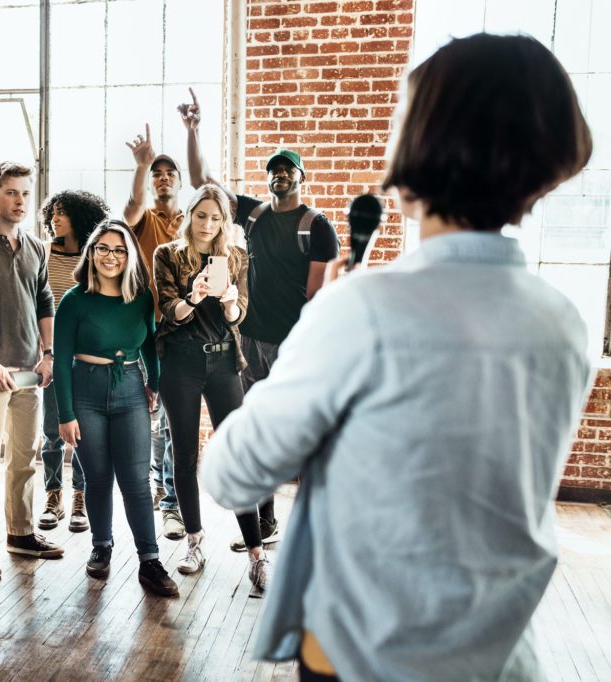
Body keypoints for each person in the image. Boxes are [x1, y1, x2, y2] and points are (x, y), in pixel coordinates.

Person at [202, 34, 593, 681]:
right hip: (501, 657)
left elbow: (230, 474)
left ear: (418, 153)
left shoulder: (363, 313)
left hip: (368, 657)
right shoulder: (564, 322)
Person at [181, 89, 339, 551]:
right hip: (246, 341)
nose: (279, 175)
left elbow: (316, 295)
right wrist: (193, 130)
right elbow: (202, 179)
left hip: (291, 347)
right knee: (256, 428)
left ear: (300, 176)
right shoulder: (251, 213)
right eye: (273, 169)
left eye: (287, 168)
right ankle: (266, 522)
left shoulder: (317, 226)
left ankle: (317, 524)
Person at [152, 184, 269, 591]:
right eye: (200, 215)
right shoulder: (167, 255)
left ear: (225, 221)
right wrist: (193, 296)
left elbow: (239, 316)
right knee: (184, 454)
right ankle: (194, 541)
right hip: (180, 361)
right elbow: (168, 310)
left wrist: (231, 300)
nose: (207, 224)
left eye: (215, 217)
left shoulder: (234, 257)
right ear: (189, 215)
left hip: (223, 362)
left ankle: (257, 554)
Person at [55, 220, 178, 597]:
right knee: (97, 478)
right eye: (103, 248)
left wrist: (154, 384)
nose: (111, 256)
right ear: (91, 253)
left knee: (137, 482)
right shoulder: (74, 300)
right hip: (85, 390)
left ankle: (150, 560)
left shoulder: (141, 297)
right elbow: (60, 360)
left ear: (130, 257)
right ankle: (101, 545)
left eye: (119, 250)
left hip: (129, 390)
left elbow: (150, 347)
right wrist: (65, 415)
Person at [0, 161, 62, 580]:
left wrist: (49, 353)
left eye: (25, 193)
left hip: (30, 369)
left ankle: (20, 534)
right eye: (11, 193)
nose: (20, 200)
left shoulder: (37, 246)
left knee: (25, 458)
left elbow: (44, 301)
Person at [123, 125, 184, 541]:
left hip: (182, 328)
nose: (162, 178)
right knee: (146, 411)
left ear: (179, 182)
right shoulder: (143, 218)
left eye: (168, 173)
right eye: (157, 173)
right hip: (142, 328)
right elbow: (130, 207)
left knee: (172, 419)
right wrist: (142, 167)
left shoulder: (192, 219)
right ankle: (146, 498)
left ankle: (171, 504)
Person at [37, 189, 109, 533]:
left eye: (62, 212)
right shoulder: (42, 254)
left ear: (81, 217)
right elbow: (37, 305)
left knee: (81, 432)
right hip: (51, 357)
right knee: (51, 430)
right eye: (53, 212)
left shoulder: (95, 258)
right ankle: (54, 495)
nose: (55, 218)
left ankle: (80, 496)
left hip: (86, 360)